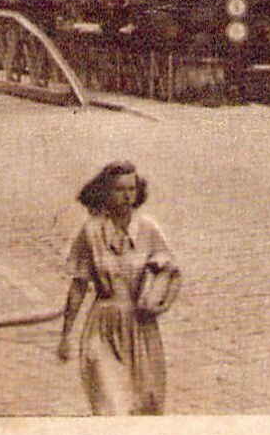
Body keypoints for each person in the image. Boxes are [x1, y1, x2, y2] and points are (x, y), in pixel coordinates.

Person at [57, 161, 180, 415]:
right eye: (119, 190)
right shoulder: (90, 233)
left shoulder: (149, 230)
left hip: (142, 329)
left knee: (146, 407)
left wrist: (157, 297)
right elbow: (78, 287)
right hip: (102, 328)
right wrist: (66, 335)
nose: (126, 197)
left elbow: (169, 274)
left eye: (131, 189)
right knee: (109, 406)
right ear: (105, 192)